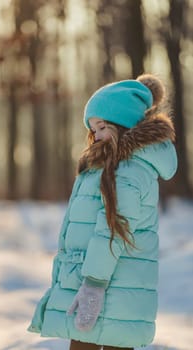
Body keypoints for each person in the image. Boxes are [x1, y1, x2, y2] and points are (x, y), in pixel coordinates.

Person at [28, 74, 178, 349]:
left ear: (123, 125)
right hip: (104, 289)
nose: (94, 135)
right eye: (92, 128)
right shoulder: (108, 166)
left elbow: (113, 229)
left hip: (111, 289)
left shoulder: (128, 171)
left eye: (101, 126)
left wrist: (94, 285)